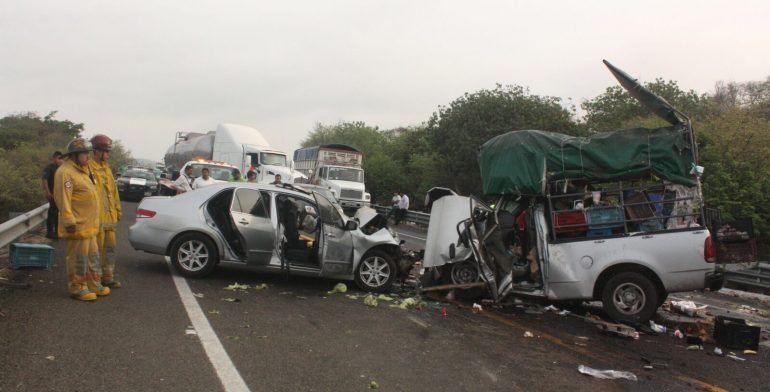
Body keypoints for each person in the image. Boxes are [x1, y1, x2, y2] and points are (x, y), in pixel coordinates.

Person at [54, 138, 109, 301]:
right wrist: (69, 221)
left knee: (92, 258)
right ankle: (77, 288)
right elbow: (63, 199)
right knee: (78, 259)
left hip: (89, 225)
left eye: (88, 153)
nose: (88, 156)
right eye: (84, 153)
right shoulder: (65, 172)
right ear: (74, 155)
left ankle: (93, 284)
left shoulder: (83, 171)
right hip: (77, 225)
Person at [89, 134, 122, 289]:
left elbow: (114, 192)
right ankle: (94, 281)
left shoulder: (107, 168)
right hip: (96, 219)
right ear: (97, 151)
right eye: (106, 151)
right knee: (95, 252)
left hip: (110, 218)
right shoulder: (88, 169)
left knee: (110, 249)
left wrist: (118, 210)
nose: (108, 155)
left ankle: (107, 277)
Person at [41, 151, 64, 239]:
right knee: (52, 213)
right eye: (58, 158)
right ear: (54, 158)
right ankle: (50, 232)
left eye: (61, 159)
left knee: (58, 213)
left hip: (60, 194)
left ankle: (58, 232)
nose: (60, 160)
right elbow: (45, 180)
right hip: (52, 193)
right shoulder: (49, 168)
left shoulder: (62, 168)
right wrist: (48, 192)